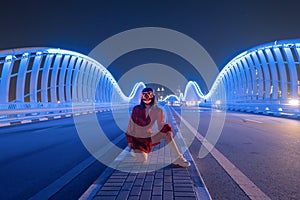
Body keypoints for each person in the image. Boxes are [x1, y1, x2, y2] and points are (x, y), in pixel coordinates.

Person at [125, 87, 190, 167]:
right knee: (142, 160)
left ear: (153, 96)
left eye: (149, 95)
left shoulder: (158, 111)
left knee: (166, 133)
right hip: (137, 139)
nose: (147, 97)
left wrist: (168, 129)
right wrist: (130, 141)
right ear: (142, 97)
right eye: (144, 95)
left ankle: (178, 158)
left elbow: (161, 127)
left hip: (148, 137)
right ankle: (134, 151)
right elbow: (130, 127)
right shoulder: (136, 109)